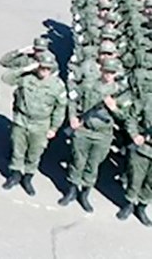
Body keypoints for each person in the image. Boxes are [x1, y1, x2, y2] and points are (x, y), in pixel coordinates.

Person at [59, 58, 133, 212]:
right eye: (106, 71)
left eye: (112, 73)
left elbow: (127, 117)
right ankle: (72, 190)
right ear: (102, 71)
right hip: (83, 130)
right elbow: (73, 99)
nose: (108, 75)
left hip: (103, 136)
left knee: (93, 165)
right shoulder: (89, 85)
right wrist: (73, 116)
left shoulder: (119, 92)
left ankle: (85, 194)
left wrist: (114, 108)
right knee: (77, 161)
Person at [0, 52, 67, 195]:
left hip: (41, 124)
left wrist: (54, 128)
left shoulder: (57, 86)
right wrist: (26, 69)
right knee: (18, 150)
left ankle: (28, 178)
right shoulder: (27, 78)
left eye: (48, 69)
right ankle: (15, 175)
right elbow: (6, 78)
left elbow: (60, 108)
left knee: (34, 153)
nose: (44, 71)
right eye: (42, 67)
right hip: (22, 120)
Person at [116, 97, 152, 226]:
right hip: (143, 148)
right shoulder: (148, 100)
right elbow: (131, 117)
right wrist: (134, 135)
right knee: (134, 179)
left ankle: (141, 207)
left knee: (151, 185)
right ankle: (129, 204)